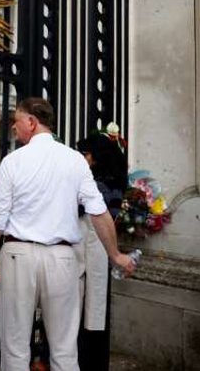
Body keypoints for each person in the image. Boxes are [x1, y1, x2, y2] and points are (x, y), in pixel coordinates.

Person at [0, 98, 136, 371]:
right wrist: (115, 255)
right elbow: (98, 211)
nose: (14, 128)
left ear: (31, 122)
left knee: (15, 347)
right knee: (64, 349)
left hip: (19, 255)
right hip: (63, 258)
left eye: (17, 121)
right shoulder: (75, 161)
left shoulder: (13, 161)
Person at [74, 127, 128, 371]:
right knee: (94, 312)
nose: (83, 159)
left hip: (89, 245)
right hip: (98, 248)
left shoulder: (97, 183)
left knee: (79, 309)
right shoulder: (115, 178)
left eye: (86, 154)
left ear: (96, 156)